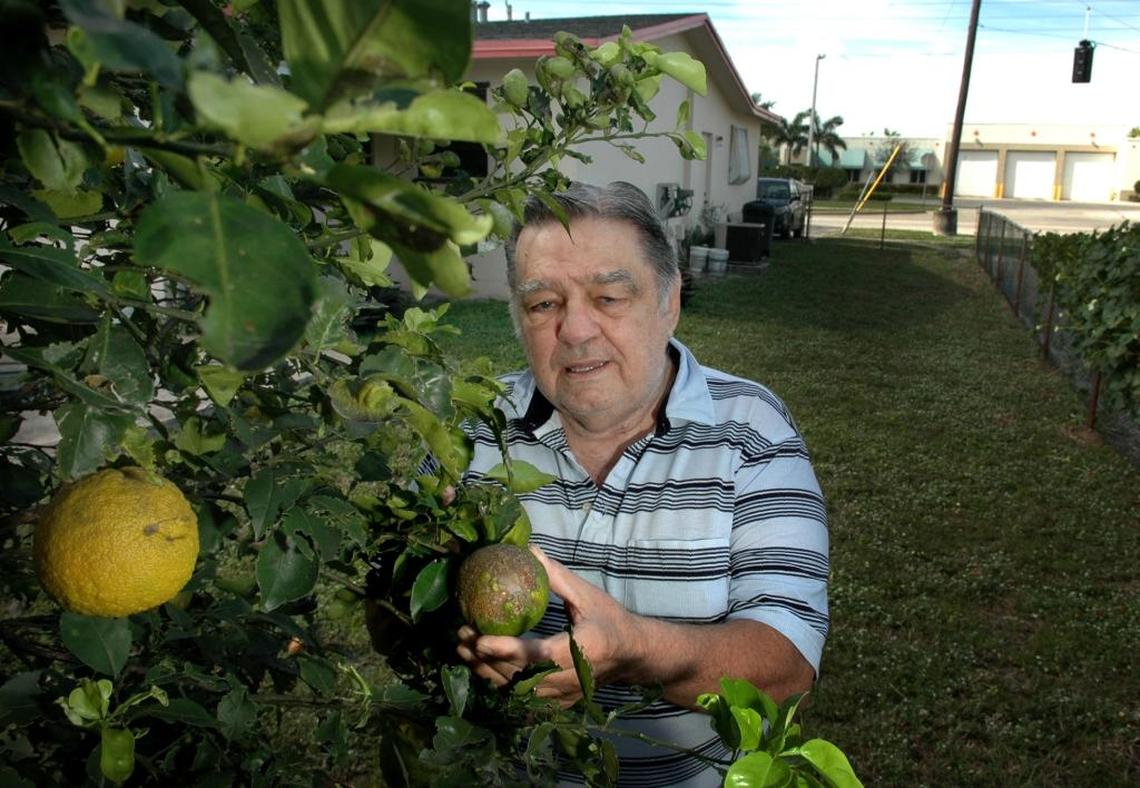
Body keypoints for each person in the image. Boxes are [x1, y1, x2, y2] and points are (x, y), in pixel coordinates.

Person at [455, 181, 829, 787]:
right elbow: (395, 612)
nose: (575, 331)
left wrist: (634, 651)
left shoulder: (752, 432)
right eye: (543, 304)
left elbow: (786, 668)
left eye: (608, 297)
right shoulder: (471, 426)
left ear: (669, 301)